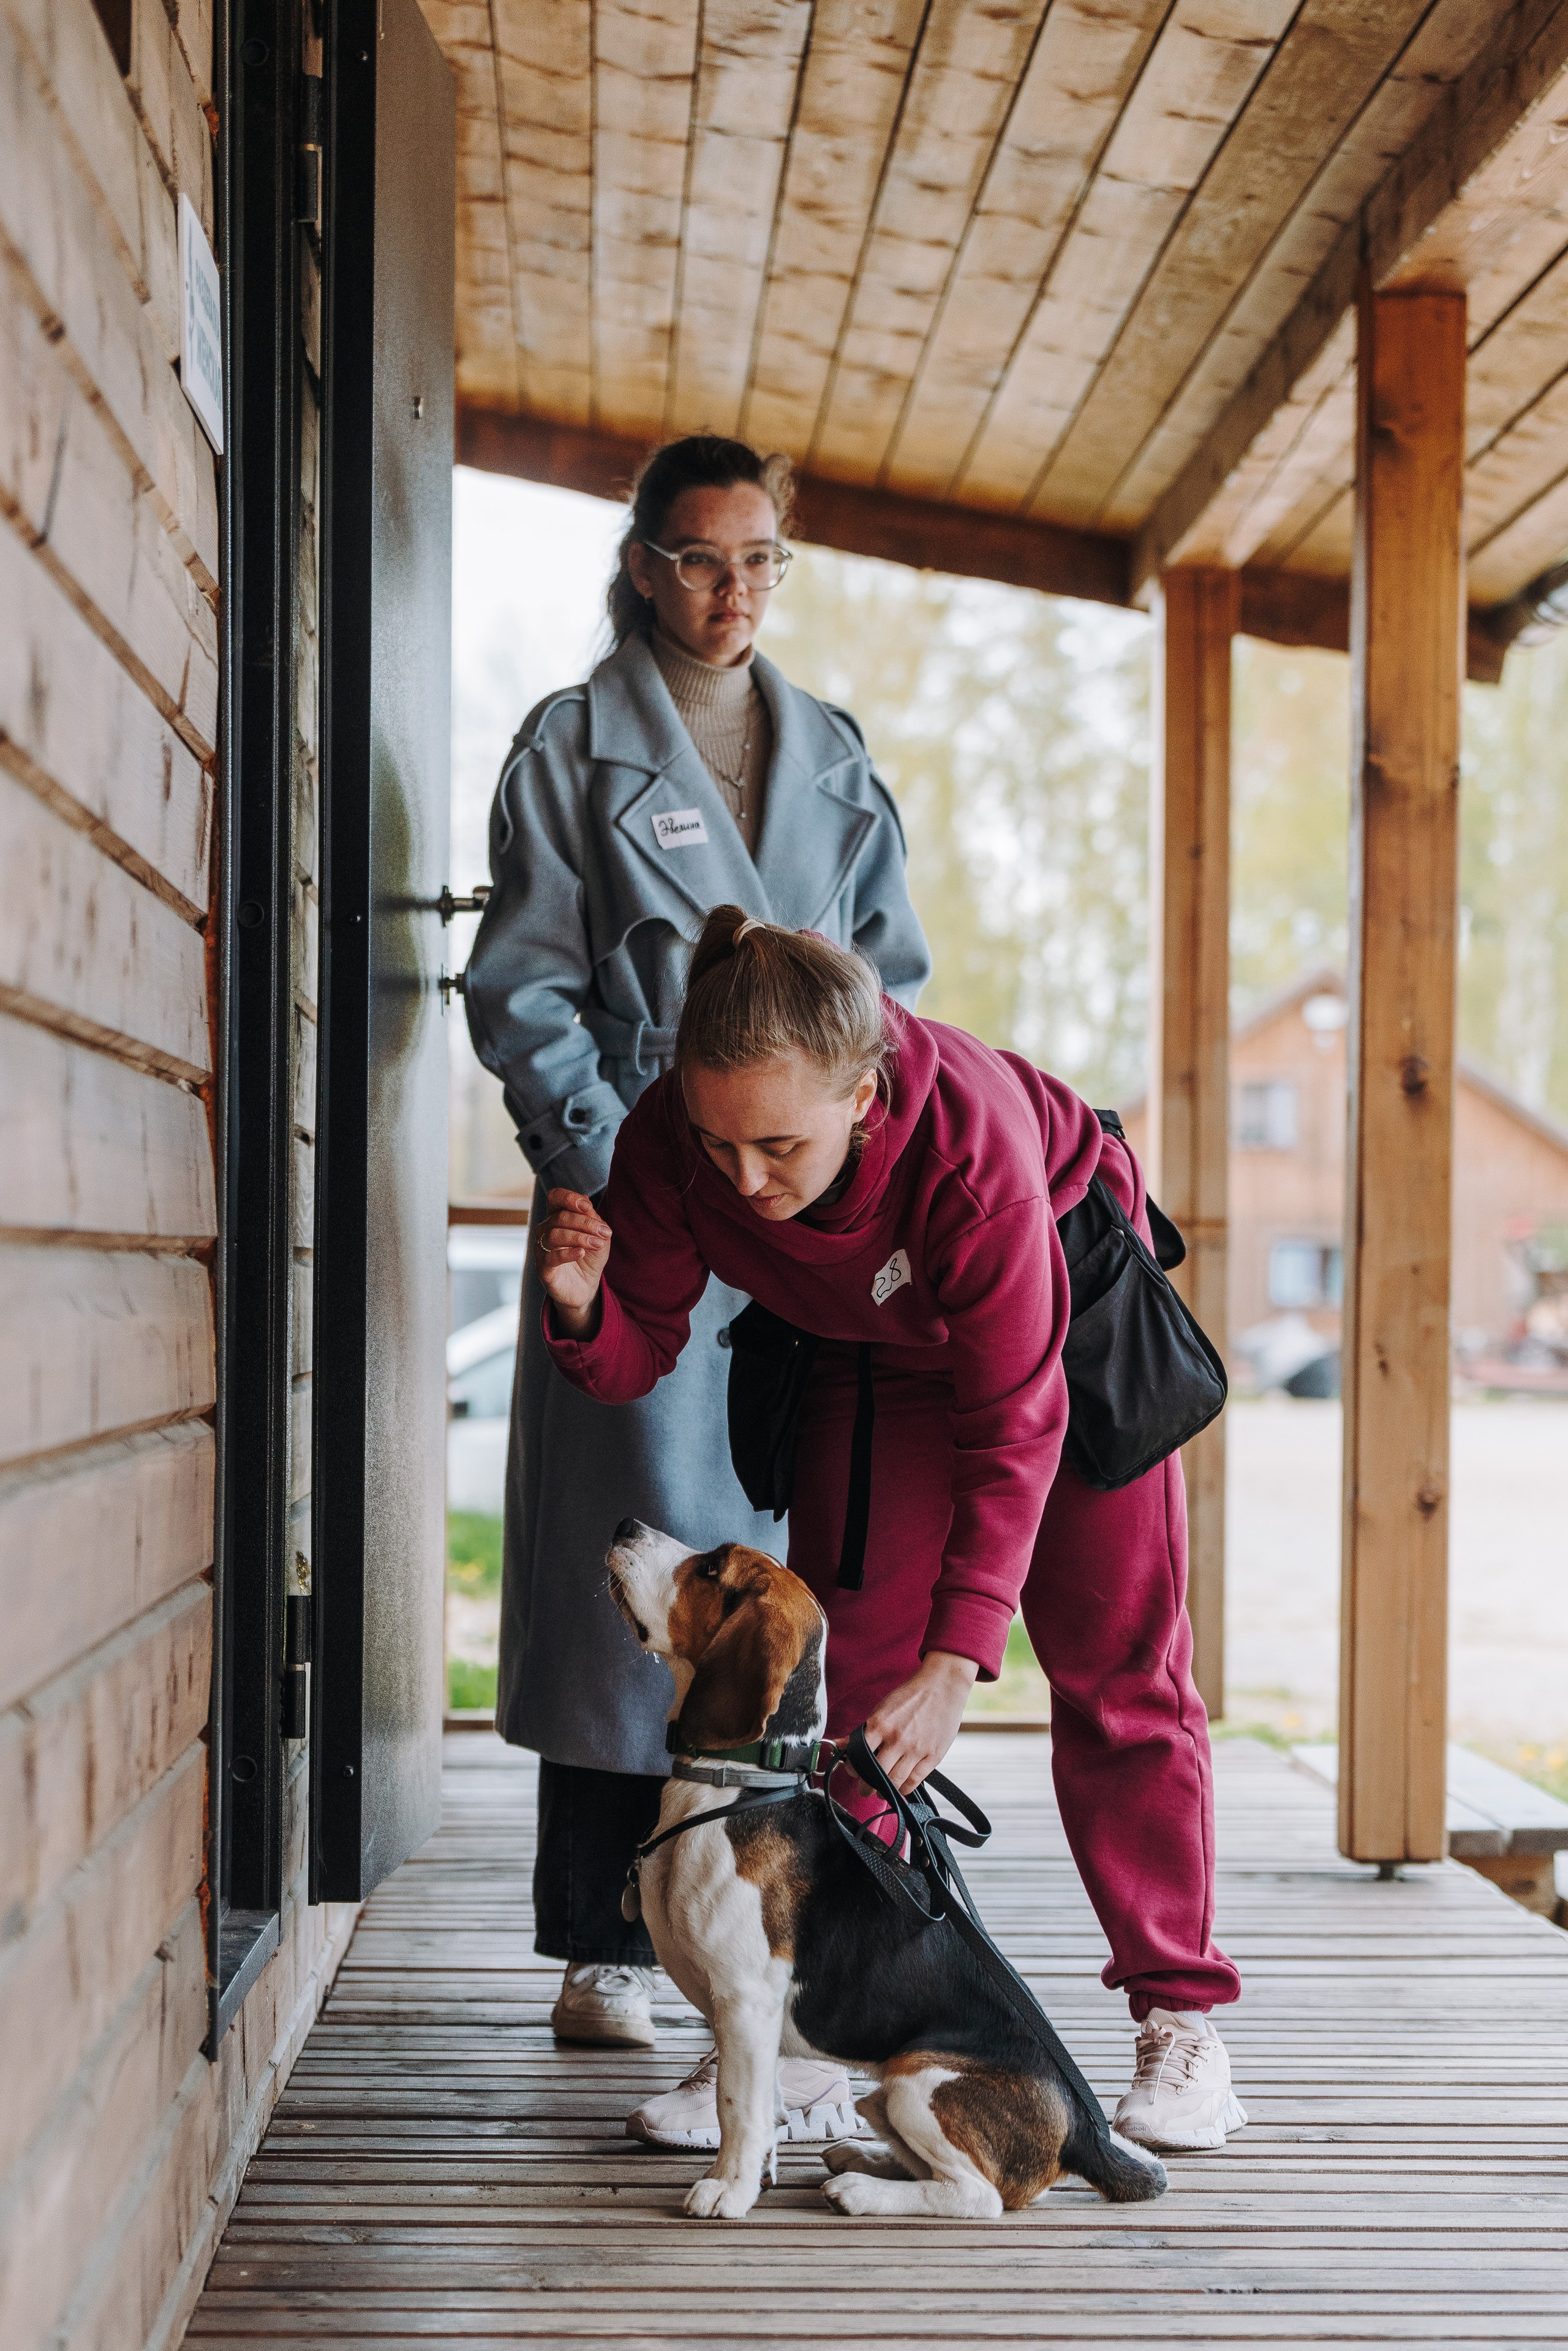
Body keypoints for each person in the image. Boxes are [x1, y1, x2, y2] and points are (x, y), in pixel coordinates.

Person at [532, 910, 1246, 2156]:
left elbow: (1017, 1422)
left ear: (863, 1095)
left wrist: (959, 1660)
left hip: (1060, 1313)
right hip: (870, 1351)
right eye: (717, 1142)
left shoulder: (968, 1148)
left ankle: (1179, 2019)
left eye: (779, 1145)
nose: (744, 1180)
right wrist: (586, 1310)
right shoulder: (672, 1141)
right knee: (841, 1689)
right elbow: (644, 1344)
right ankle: (807, 2039)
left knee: (1119, 1671)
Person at [462, 436, 930, 2124]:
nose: (732, 593)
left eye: (759, 561)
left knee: (781, 1565)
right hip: (645, 1188)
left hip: (803, 1200)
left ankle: (777, 1922)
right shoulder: (569, 745)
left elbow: (894, 981)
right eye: (699, 559)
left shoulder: (835, 757)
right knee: (632, 1579)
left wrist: (837, 1155)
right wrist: (618, 1149)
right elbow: (520, 984)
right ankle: (601, 1937)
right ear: (642, 562)